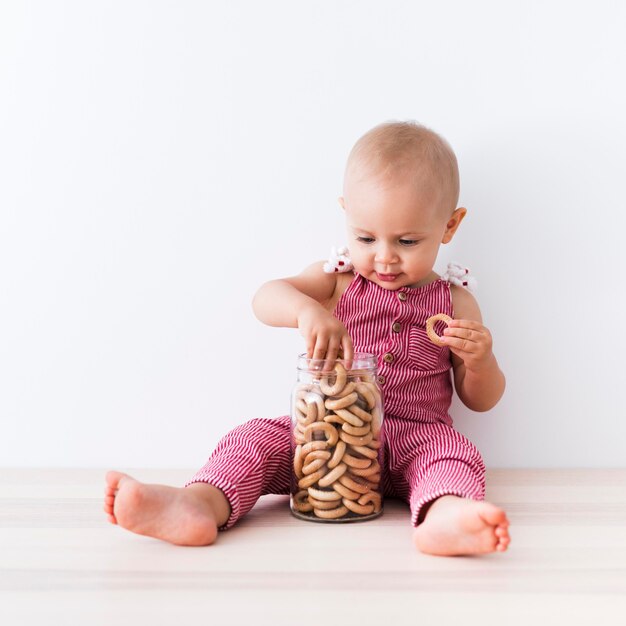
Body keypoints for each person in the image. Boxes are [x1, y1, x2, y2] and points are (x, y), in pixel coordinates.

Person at [104, 120, 511, 556]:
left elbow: (481, 400)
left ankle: (445, 514)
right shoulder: (335, 281)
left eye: (408, 241)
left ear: (449, 226)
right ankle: (197, 503)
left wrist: (481, 361)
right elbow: (264, 298)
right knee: (255, 439)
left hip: (419, 437)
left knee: (455, 453)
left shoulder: (454, 302)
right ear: (346, 216)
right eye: (365, 237)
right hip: (325, 436)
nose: (384, 257)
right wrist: (306, 311)